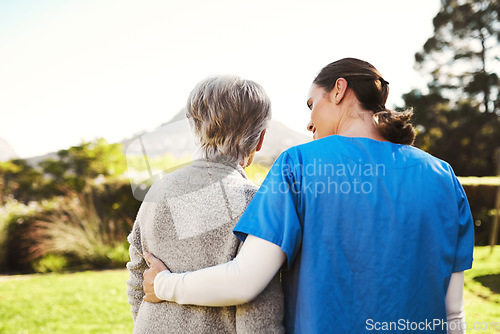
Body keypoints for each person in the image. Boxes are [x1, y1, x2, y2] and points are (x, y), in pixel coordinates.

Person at [142, 58, 474, 334]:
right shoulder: (443, 176)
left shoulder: (298, 165)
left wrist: (164, 285)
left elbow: (245, 281)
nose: (309, 121)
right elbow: (453, 312)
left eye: (312, 104)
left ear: (339, 90)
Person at [127, 75, 285, 334]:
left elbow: (138, 279)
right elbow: (259, 310)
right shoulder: (255, 202)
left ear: (194, 128)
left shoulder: (158, 191)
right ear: (260, 139)